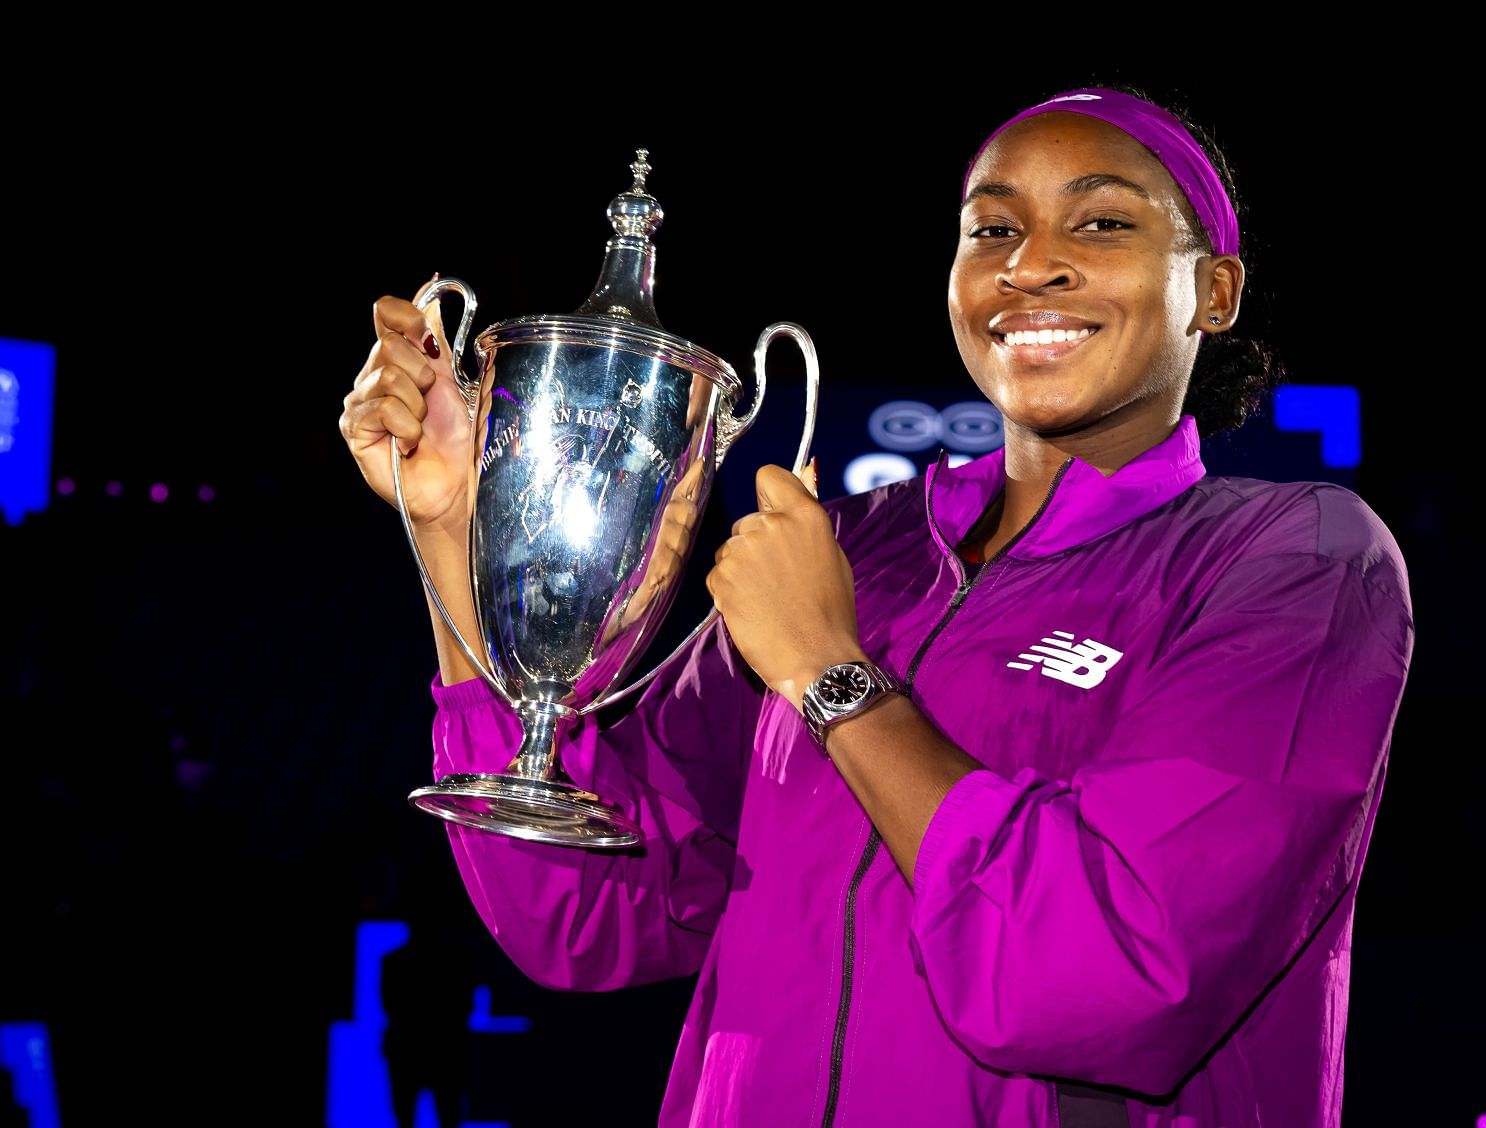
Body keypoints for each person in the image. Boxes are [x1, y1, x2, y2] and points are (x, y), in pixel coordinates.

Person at [340, 82, 1415, 1127]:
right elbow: (585, 914)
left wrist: (828, 673)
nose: (1031, 264)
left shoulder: (1297, 561)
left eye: (1100, 222)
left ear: (1213, 292)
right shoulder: (859, 547)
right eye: (991, 231)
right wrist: (450, 529)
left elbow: (1102, 974)